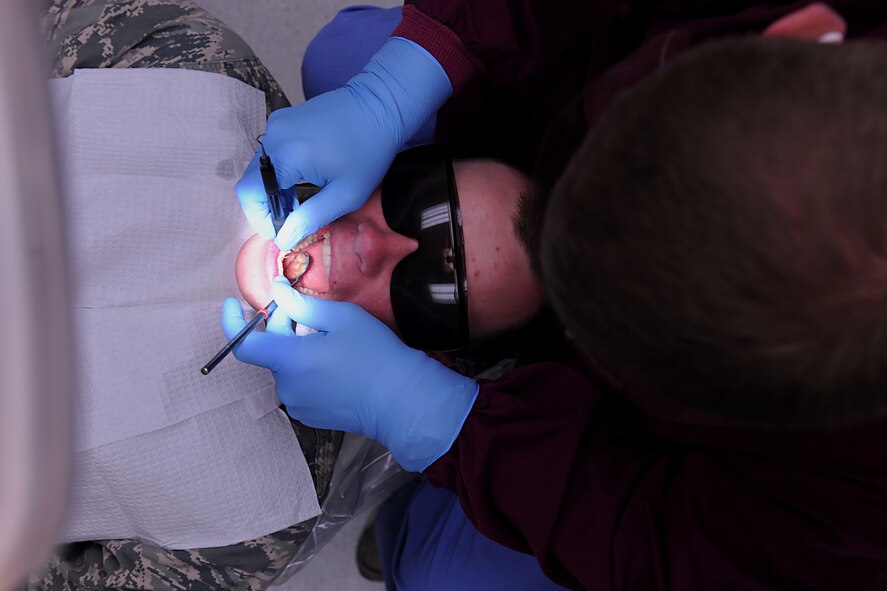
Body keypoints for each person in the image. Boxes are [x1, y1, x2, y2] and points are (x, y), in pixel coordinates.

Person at [226, 2, 887, 589]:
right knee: (347, 56)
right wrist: (408, 74)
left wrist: (446, 430)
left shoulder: (848, 511)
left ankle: (411, 529)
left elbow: (658, 547)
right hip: (552, 100)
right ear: (801, 30)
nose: (369, 247)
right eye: (416, 203)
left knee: (443, 571)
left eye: (435, 276)